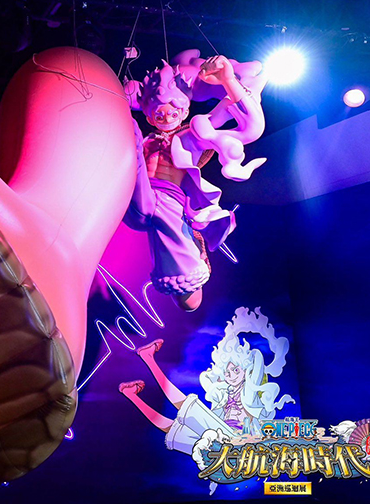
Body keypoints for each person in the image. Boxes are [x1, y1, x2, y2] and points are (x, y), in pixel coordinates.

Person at [124, 52, 268, 310]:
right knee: (146, 212)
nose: (167, 119)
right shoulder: (145, 141)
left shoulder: (192, 136)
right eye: (160, 116)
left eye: (173, 114)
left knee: (150, 220)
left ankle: (183, 274)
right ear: (149, 117)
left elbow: (251, 126)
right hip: (144, 195)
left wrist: (228, 80)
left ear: (184, 112)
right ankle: (185, 271)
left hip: (168, 200)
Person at [118, 307, 294, 456]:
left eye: (235, 370)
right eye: (228, 371)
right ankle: (133, 388)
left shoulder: (251, 395)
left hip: (230, 443)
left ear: (247, 371)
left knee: (180, 419)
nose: (231, 375)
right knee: (175, 425)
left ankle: (145, 365)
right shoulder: (227, 393)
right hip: (223, 444)